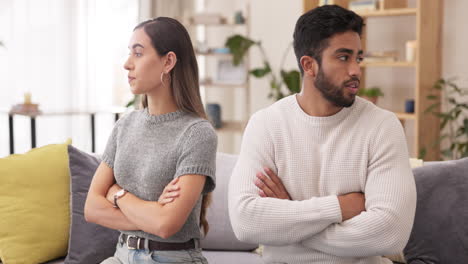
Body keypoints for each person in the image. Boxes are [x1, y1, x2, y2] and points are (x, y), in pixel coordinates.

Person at [228, 5, 416, 264]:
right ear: (309, 65)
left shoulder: (382, 126)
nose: (356, 70)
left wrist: (291, 215)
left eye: (358, 58)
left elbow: (391, 233)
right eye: (343, 57)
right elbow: (245, 222)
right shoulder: (266, 124)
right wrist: (339, 207)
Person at [84, 17, 217, 264]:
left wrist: (117, 194)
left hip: (171, 257)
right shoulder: (125, 125)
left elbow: (166, 225)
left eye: (138, 53)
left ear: (168, 61)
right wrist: (152, 213)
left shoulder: (197, 133)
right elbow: (91, 208)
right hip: (120, 255)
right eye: (129, 54)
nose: (127, 64)